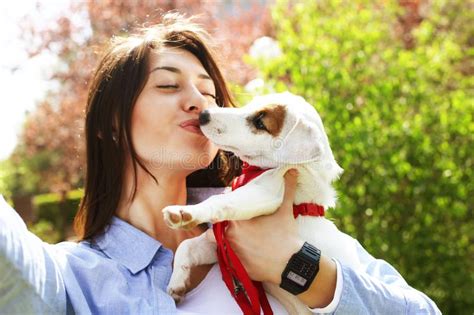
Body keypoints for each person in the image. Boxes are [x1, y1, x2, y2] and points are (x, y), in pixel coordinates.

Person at [0, 13, 441, 314]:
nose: (198, 101)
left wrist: (298, 266)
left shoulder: (280, 219)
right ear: (111, 123)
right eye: (169, 85)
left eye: (209, 92)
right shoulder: (74, 279)